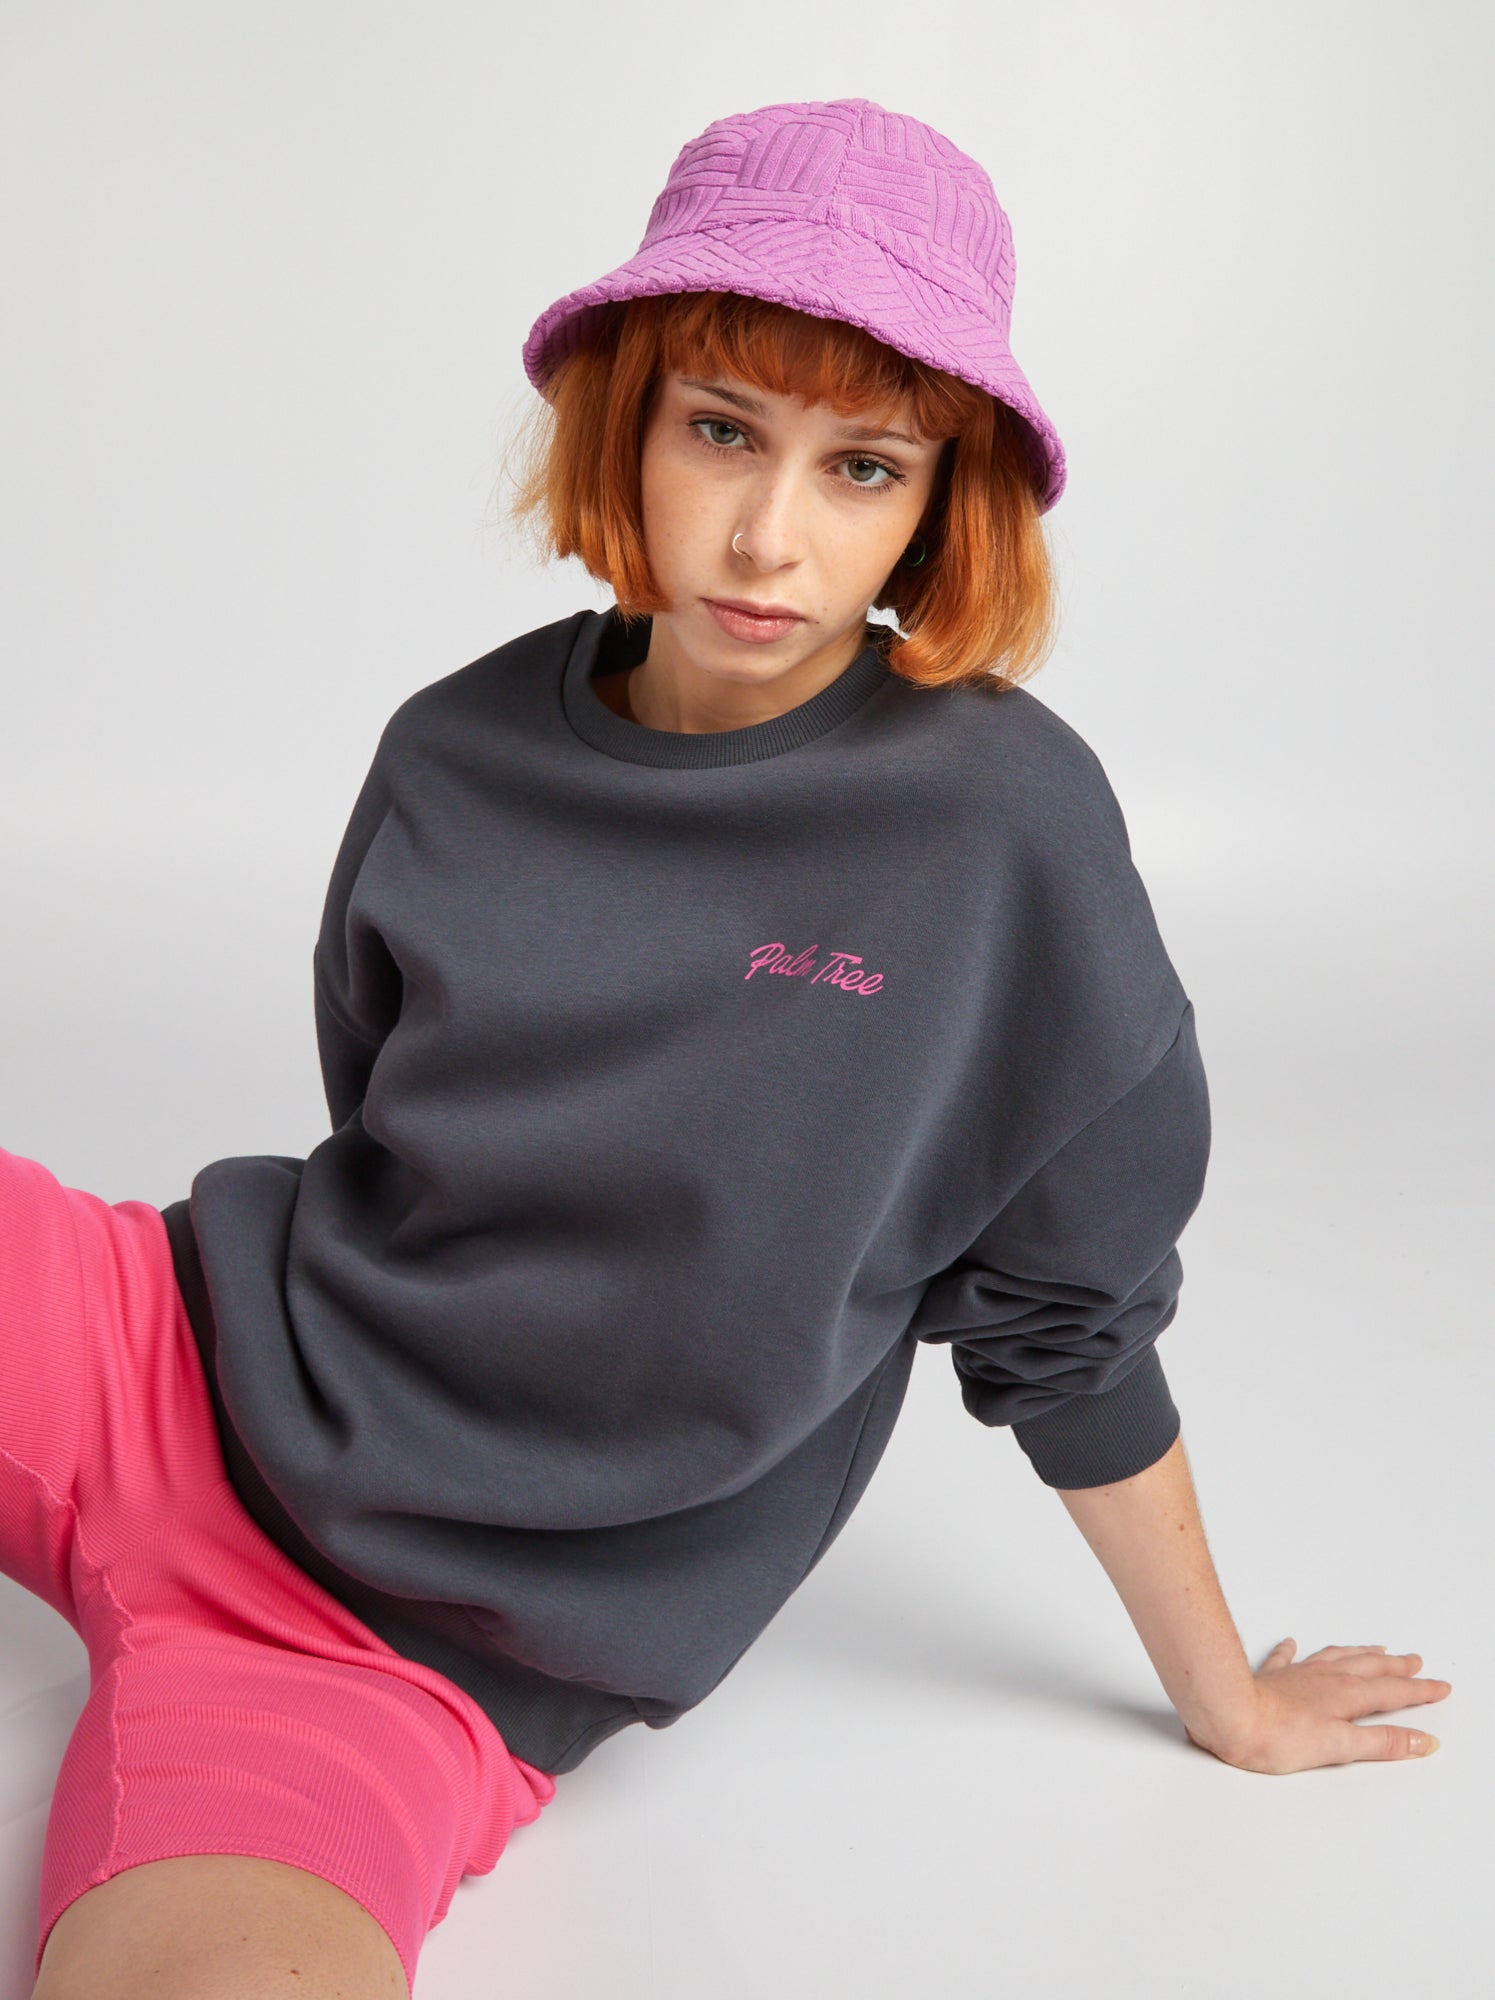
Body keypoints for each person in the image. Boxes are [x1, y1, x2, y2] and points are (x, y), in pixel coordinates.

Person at [4, 95, 1450, 2000]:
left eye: (864, 467)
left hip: (406, 1660)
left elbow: (1071, 1321)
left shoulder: (1002, 836)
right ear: (628, 420)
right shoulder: (451, 749)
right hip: (152, 1353)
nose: (771, 536)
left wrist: (1228, 1701)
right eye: (721, 431)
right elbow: (394, 1136)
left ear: (940, 504)